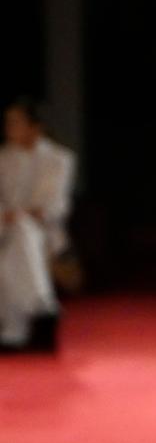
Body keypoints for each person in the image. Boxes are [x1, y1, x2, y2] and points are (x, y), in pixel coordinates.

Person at [0, 95, 77, 352]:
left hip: (44, 231)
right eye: (7, 122)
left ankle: (13, 330)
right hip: (4, 227)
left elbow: (56, 204)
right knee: (18, 237)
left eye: (15, 122)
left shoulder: (59, 159)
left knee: (22, 236)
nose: (8, 128)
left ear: (35, 127)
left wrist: (23, 215)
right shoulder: (2, 158)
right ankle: (42, 305)